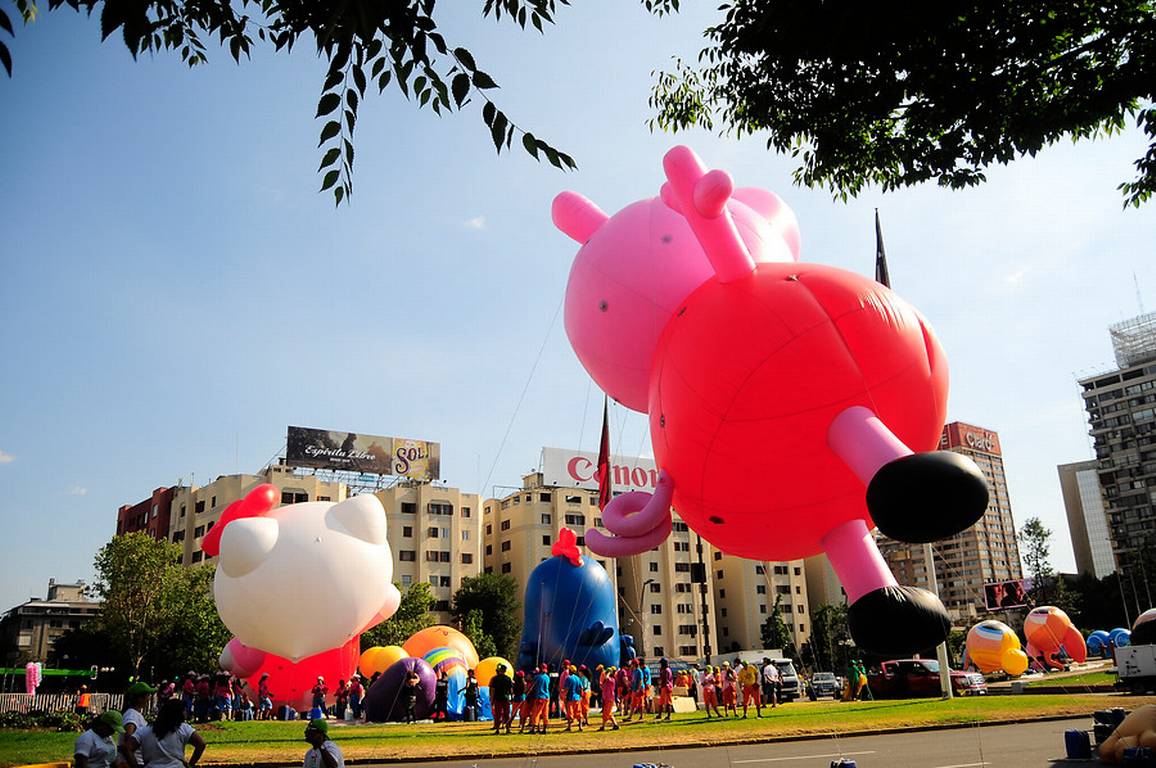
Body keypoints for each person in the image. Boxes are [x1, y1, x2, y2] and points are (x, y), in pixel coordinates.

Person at [130, 698, 205, 768]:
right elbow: (201, 744)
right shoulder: (183, 728)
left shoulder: (145, 730)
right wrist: (190, 765)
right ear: (179, 713)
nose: (186, 713)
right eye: (184, 710)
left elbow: (127, 747)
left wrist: (135, 766)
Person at [120, 681, 156, 768]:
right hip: (134, 762)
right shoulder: (131, 715)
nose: (149, 699)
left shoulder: (135, 714)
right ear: (140, 698)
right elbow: (127, 742)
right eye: (148, 696)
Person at [489, 664, 513, 734]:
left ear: (500, 670)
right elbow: (511, 689)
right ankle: (508, 729)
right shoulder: (508, 678)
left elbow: (492, 690)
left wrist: (492, 699)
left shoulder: (495, 678)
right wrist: (511, 697)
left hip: (497, 698)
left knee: (498, 714)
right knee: (506, 714)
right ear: (505, 670)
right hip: (506, 698)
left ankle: (497, 729)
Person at [529, 664, 551, 734]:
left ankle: (533, 729)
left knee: (536, 713)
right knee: (545, 713)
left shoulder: (537, 677)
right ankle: (544, 729)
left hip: (539, 697)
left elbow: (532, 685)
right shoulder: (547, 677)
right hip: (547, 697)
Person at [597, 666, 620, 731]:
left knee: (606, 713)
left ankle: (604, 726)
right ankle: (614, 725)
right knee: (607, 712)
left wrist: (608, 673)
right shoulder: (607, 680)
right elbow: (603, 687)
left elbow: (607, 678)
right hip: (606, 698)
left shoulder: (611, 680)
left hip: (609, 698)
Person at [563, 665, 584, 732]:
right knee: (578, 712)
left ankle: (569, 727)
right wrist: (581, 696)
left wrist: (564, 696)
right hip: (577, 698)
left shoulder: (568, 678)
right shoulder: (578, 678)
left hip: (570, 698)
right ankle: (580, 726)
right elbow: (581, 688)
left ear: (570, 670)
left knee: (569, 713)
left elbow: (566, 689)